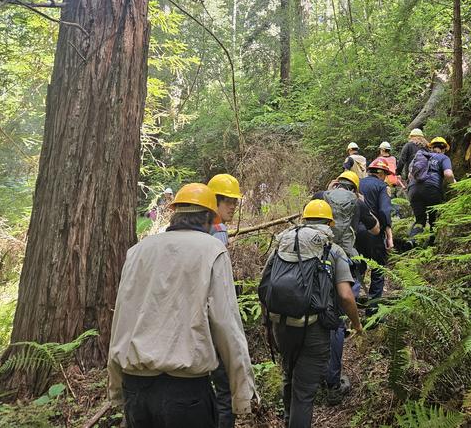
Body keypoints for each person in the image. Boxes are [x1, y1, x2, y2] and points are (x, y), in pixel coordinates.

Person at [108, 183, 255, 427]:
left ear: (176, 214)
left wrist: (115, 388)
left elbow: (122, 319)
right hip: (185, 392)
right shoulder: (212, 250)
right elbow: (227, 325)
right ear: (209, 218)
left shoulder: (138, 251)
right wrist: (241, 394)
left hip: (136, 388)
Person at [259, 200, 363, 428]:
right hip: (314, 328)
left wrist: (267, 322)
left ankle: (288, 421)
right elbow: (346, 296)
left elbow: (265, 285)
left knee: (289, 374)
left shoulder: (283, 243)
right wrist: (356, 324)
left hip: (281, 325)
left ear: (304, 220)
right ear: (329, 223)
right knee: (304, 393)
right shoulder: (332, 250)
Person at [311, 171, 379, 405]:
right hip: (345, 262)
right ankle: (332, 382)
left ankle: (311, 376)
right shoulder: (358, 202)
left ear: (337, 183)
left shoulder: (320, 195)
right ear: (355, 187)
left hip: (315, 261)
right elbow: (375, 230)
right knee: (337, 321)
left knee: (314, 315)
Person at [206, 174, 243, 428]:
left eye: (234, 202)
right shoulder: (216, 231)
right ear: (213, 200)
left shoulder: (217, 228)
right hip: (213, 318)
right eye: (227, 201)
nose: (232, 206)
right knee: (223, 385)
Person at [357, 158, 394, 315]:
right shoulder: (382, 186)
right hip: (374, 230)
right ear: (381, 173)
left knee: (357, 267)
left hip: (354, 231)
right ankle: (373, 311)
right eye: (385, 174)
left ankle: (349, 304)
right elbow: (385, 211)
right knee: (378, 268)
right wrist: (388, 232)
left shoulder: (357, 182)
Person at [407, 137, 456, 231]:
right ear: (444, 149)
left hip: (413, 189)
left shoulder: (420, 156)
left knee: (420, 220)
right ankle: (432, 243)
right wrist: (454, 183)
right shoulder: (443, 157)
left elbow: (410, 175)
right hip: (432, 189)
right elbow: (448, 174)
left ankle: (412, 241)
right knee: (434, 220)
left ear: (431, 147)